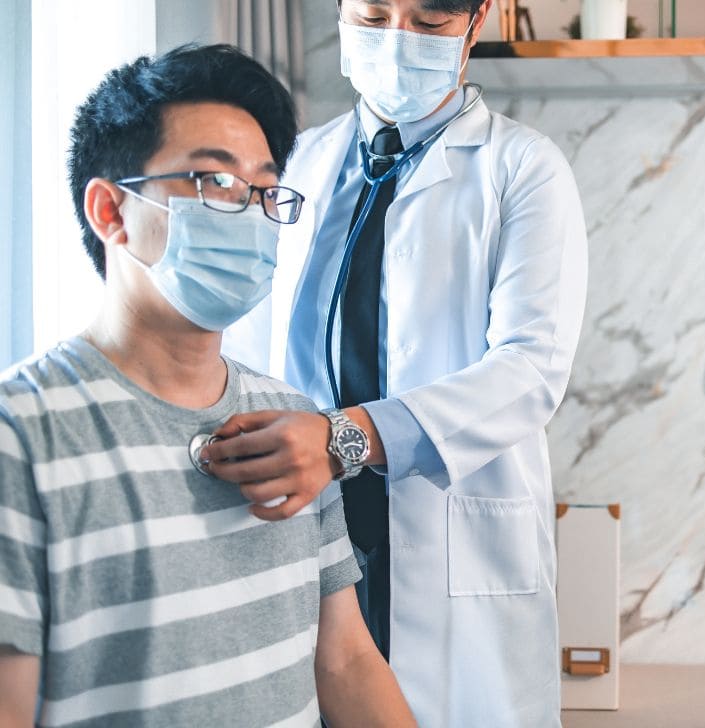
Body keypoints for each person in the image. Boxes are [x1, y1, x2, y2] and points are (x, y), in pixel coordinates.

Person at [0, 44, 415, 728]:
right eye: (213, 182)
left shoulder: (291, 423)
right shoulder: (24, 430)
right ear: (111, 212)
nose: (249, 214)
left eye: (263, 190)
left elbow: (343, 660)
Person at [210, 0, 589, 725]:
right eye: (374, 16)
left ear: (474, 27)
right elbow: (248, 344)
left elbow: (531, 369)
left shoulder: (522, 168)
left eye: (428, 23)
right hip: (308, 526)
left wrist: (342, 437)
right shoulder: (300, 164)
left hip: (449, 538)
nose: (395, 43)